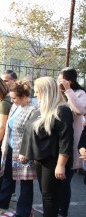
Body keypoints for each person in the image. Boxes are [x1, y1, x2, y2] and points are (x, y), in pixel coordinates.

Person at [19, 77, 73, 217]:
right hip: (40, 159)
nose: (35, 95)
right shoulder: (41, 110)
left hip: (53, 160)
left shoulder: (62, 110)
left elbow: (65, 140)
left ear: (46, 91)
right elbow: (28, 131)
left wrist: (61, 165)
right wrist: (24, 152)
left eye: (37, 92)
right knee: (45, 194)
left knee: (50, 197)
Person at [0, 81, 37, 217]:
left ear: (24, 96)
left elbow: (32, 134)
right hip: (10, 148)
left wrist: (26, 152)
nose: (12, 100)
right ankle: (2, 201)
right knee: (7, 176)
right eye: (12, 97)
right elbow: (8, 126)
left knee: (26, 182)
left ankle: (23, 212)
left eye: (14, 98)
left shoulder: (33, 110)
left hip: (23, 151)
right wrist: (3, 145)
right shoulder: (15, 106)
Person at [57, 67, 86, 217]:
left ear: (70, 80)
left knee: (65, 181)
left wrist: (69, 91)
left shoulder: (80, 93)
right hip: (59, 143)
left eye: (61, 79)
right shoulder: (60, 94)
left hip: (73, 143)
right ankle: (55, 209)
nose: (59, 81)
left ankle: (63, 211)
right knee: (58, 181)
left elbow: (80, 109)